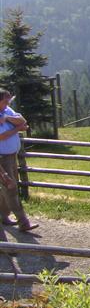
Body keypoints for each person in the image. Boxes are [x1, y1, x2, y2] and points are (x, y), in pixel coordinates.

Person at [0, 90, 37, 232]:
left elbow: (23, 121)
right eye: (5, 101)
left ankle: (3, 215)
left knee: (7, 187)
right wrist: (18, 129)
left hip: (10, 156)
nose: (8, 103)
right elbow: (1, 137)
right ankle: (23, 222)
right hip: (2, 158)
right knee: (10, 188)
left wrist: (8, 119)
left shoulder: (7, 110)